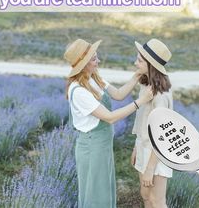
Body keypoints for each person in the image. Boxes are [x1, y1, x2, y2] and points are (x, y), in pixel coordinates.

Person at [63, 38, 153, 208]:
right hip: (91, 146)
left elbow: (118, 94)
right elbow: (110, 117)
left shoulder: (94, 78)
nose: (98, 61)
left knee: (103, 189)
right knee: (96, 194)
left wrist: (137, 75)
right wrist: (141, 101)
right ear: (83, 64)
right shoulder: (78, 90)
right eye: (94, 59)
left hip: (102, 144)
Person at [131, 38, 173, 208]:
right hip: (143, 147)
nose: (135, 63)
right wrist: (136, 147)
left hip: (156, 154)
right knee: (146, 196)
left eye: (140, 60)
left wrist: (149, 168)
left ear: (151, 65)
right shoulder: (146, 85)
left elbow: (162, 136)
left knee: (157, 202)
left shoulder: (160, 95)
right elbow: (142, 120)